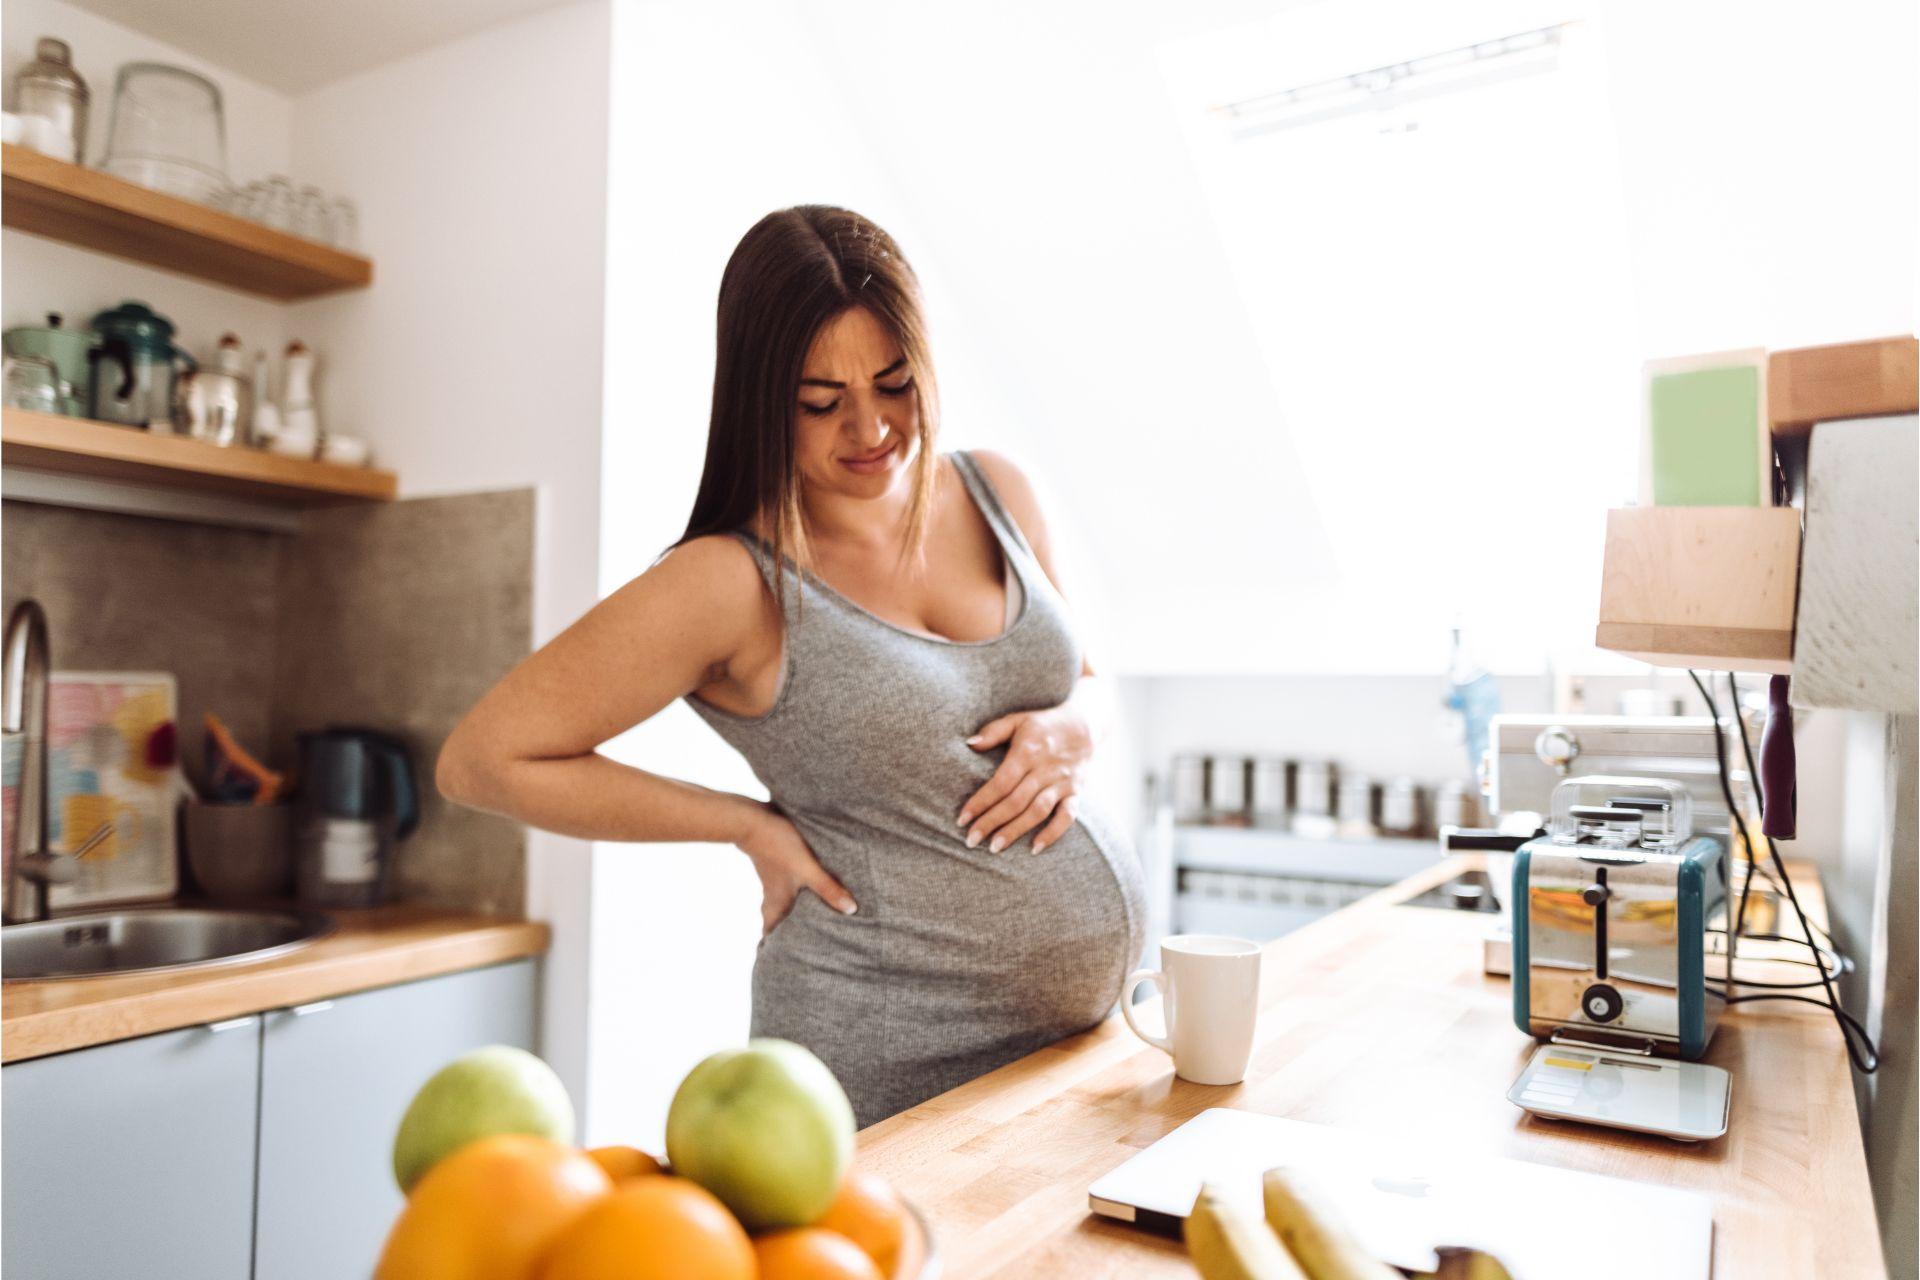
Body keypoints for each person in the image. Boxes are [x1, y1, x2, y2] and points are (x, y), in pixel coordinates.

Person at [437, 205, 1146, 1127]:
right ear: (762, 398)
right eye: (822, 401)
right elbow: (485, 759)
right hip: (882, 1062)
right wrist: (746, 825)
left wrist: (1080, 727)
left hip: (1077, 1050)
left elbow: (1087, 677)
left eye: (895, 384)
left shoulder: (997, 490)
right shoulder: (732, 583)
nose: (872, 429)